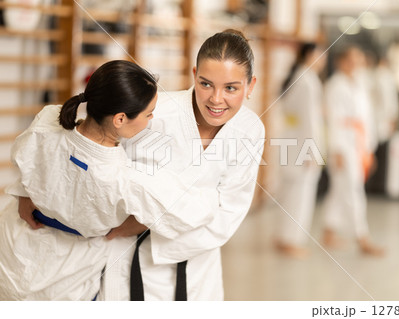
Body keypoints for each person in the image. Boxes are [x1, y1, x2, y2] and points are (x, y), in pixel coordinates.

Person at [0, 60, 218, 300]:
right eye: (148, 113)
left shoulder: (48, 119)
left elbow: (26, 158)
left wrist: (23, 192)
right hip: (66, 275)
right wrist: (138, 224)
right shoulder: (124, 179)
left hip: (13, 245)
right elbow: (199, 208)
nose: (152, 118)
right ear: (120, 119)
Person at [98, 29, 265, 300]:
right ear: (194, 74)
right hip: (128, 255)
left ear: (251, 86)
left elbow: (228, 214)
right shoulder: (155, 111)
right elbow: (96, 151)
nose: (216, 99)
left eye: (231, 88)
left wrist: (147, 220)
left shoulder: (250, 129)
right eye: (206, 83)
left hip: (199, 267)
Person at [322, 46, 384, 256]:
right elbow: (333, 121)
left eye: (359, 60)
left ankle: (329, 232)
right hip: (343, 147)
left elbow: (367, 120)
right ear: (341, 62)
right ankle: (362, 237)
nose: (356, 65)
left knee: (340, 190)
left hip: (359, 145)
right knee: (352, 190)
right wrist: (337, 149)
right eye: (351, 60)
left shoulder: (360, 85)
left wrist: (369, 149)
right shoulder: (335, 86)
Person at [274, 43, 327, 258]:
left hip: (290, 140)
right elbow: (311, 121)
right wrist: (312, 152)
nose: (323, 60)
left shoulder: (296, 76)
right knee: (299, 196)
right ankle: (291, 240)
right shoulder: (308, 81)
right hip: (303, 145)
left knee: (288, 193)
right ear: (311, 56)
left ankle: (282, 237)